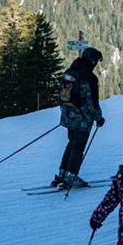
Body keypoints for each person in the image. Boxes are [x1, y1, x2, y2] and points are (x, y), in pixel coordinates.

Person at [52, 46, 105, 189]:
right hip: (82, 118)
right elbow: (91, 102)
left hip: (68, 116)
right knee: (78, 147)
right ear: (92, 61)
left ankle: (62, 174)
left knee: (71, 143)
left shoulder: (69, 72)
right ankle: (71, 177)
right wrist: (98, 118)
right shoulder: (89, 78)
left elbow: (62, 96)